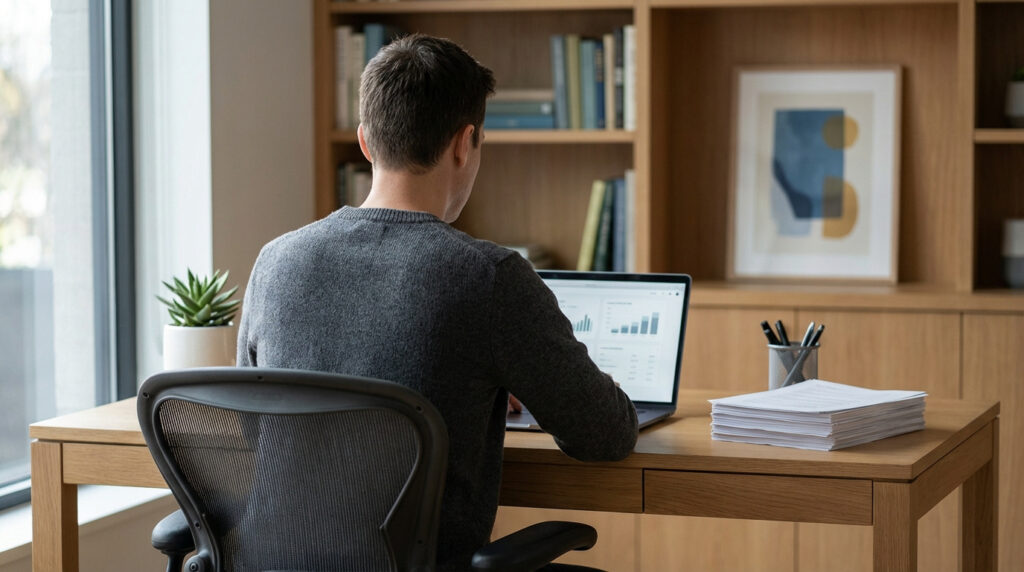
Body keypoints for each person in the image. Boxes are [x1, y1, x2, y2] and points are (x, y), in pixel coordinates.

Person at [236, 33, 638, 570]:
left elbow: (255, 426)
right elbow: (605, 434)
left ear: (365, 142)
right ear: (463, 143)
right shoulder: (489, 277)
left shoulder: (275, 262)